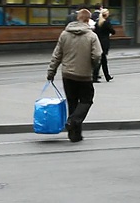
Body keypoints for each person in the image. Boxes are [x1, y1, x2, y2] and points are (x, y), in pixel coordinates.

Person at [47, 9, 102, 142]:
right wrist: (93, 66)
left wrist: (51, 71)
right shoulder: (91, 36)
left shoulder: (64, 34)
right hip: (84, 75)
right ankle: (73, 121)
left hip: (67, 74)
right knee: (86, 100)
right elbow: (97, 55)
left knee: (72, 103)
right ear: (88, 20)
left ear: (77, 18)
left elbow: (57, 55)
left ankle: (75, 135)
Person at [93, 8, 115, 83]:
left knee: (103, 60)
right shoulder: (106, 22)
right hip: (104, 43)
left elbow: (95, 32)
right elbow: (113, 31)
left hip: (98, 42)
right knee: (101, 60)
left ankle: (107, 76)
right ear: (106, 14)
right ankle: (95, 77)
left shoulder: (97, 22)